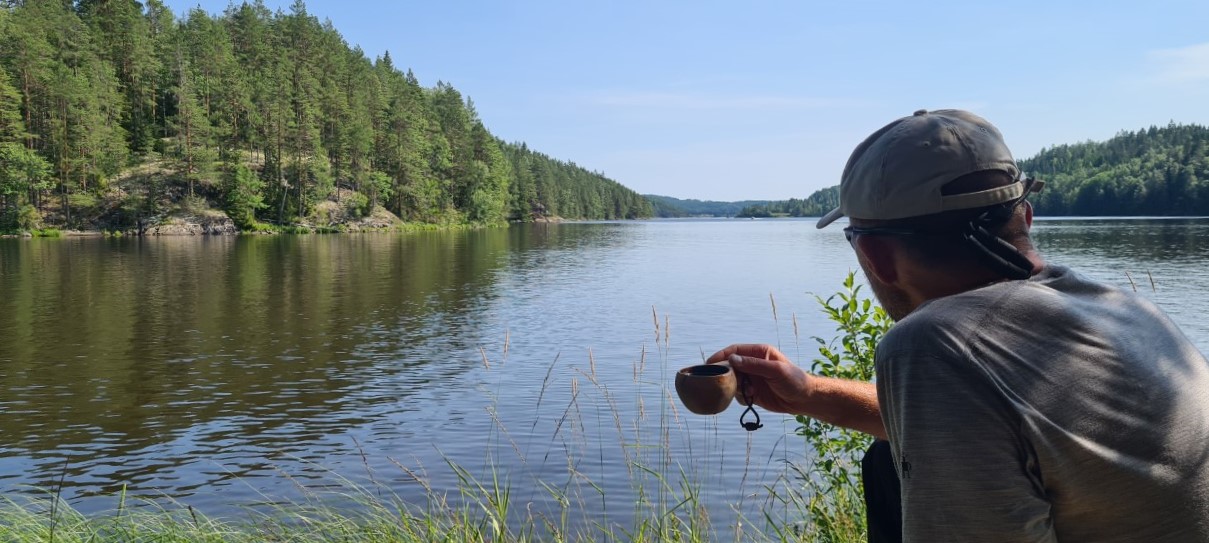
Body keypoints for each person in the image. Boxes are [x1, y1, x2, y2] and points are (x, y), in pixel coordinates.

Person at [707, 109, 1209, 542]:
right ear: (1025, 216)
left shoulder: (935, 344)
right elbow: (994, 432)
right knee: (888, 458)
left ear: (875, 255)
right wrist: (808, 393)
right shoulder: (1129, 312)